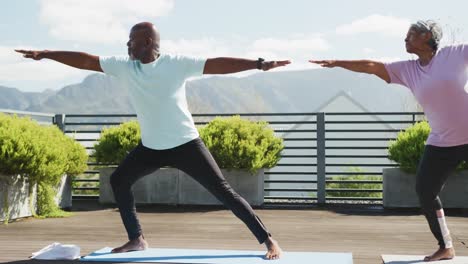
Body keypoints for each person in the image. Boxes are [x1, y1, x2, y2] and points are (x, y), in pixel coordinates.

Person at [16, 22, 290, 260]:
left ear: (147, 42)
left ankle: (268, 240)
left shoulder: (176, 64)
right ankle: (137, 239)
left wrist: (258, 64)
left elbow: (217, 64)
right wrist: (47, 54)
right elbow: (87, 60)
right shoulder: (125, 67)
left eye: (131, 40)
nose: (127, 45)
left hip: (186, 144)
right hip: (151, 147)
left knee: (225, 193)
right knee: (119, 180)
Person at [310, 19, 468, 262]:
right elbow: (373, 66)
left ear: (427, 36)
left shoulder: (453, 54)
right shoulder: (408, 69)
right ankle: (446, 246)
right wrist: (338, 63)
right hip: (442, 141)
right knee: (425, 190)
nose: (405, 40)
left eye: (410, 35)